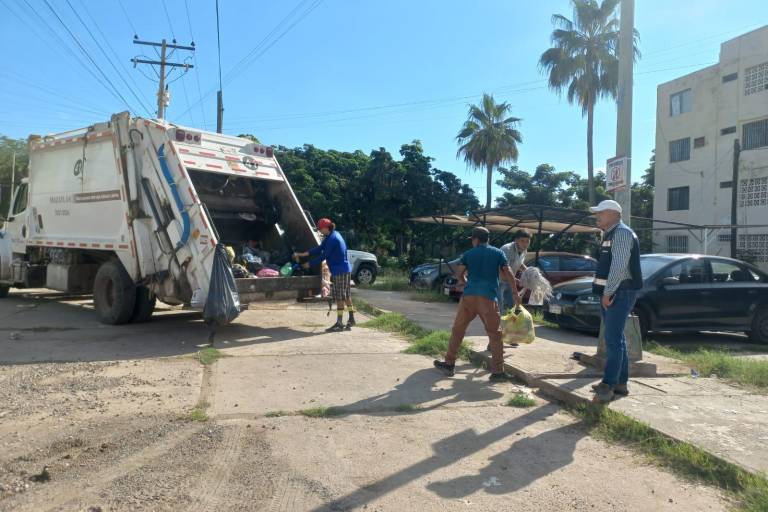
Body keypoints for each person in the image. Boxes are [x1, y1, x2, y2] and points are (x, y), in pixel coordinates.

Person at [434, 227, 519, 383]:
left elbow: (459, 274)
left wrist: (466, 283)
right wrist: (515, 293)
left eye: (472, 239)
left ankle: (449, 364)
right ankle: (498, 372)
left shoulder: (468, 254)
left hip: (469, 298)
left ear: (475, 239)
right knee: (495, 335)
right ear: (487, 239)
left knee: (458, 330)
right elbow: (509, 273)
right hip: (488, 298)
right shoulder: (498, 253)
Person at [589, 200, 643, 404]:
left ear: (613, 214)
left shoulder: (621, 233)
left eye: (600, 213)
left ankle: (608, 384)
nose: (597, 217)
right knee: (616, 338)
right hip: (614, 292)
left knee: (612, 340)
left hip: (619, 292)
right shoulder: (610, 234)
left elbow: (619, 267)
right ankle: (620, 382)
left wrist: (608, 292)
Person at [293, 218, 355, 332]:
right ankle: (351, 319)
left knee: (340, 297)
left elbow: (323, 256)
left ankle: (339, 323)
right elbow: (319, 248)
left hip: (339, 271)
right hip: (344, 269)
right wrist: (302, 254)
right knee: (346, 295)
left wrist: (309, 264)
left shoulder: (333, 239)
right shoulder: (332, 235)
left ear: (327, 228)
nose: (320, 231)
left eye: (321, 229)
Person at [498, 229, 531, 313]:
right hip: (498, 282)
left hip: (509, 281)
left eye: (527, 241)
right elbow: (504, 269)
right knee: (499, 308)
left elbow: (519, 263)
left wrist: (529, 272)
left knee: (512, 306)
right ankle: (497, 325)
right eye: (522, 241)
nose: (525, 244)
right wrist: (515, 280)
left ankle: (509, 325)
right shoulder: (507, 249)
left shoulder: (524, 251)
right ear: (516, 240)